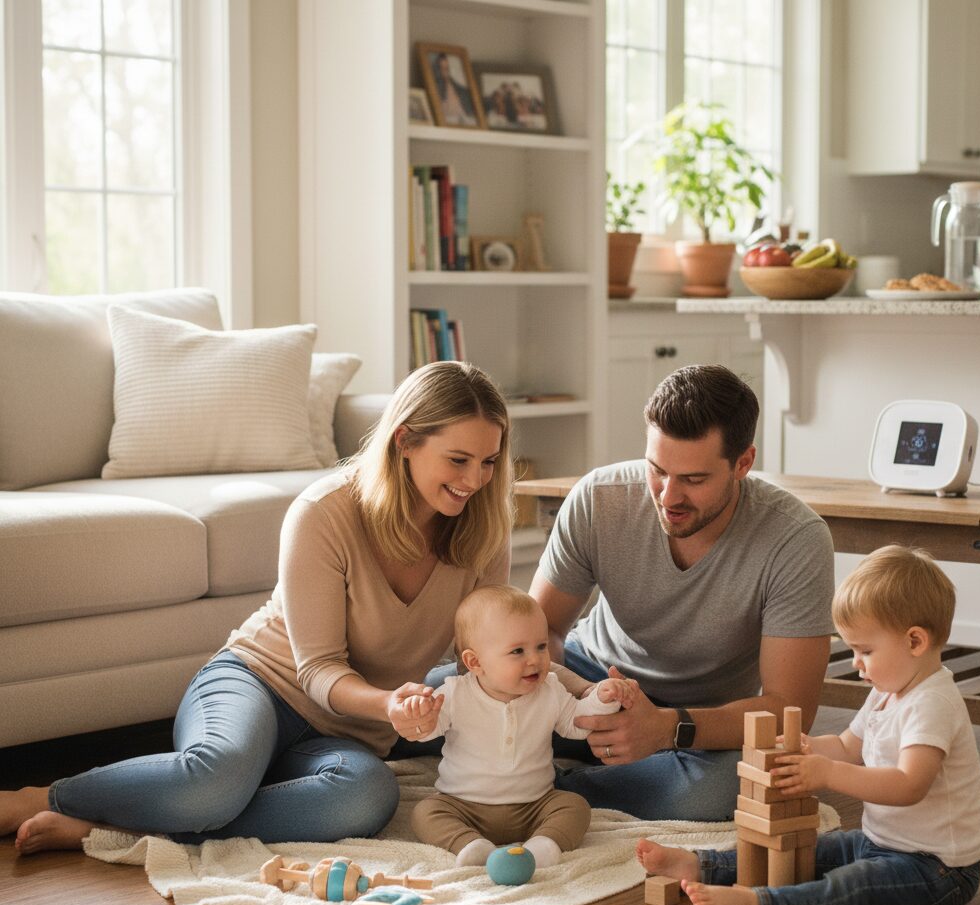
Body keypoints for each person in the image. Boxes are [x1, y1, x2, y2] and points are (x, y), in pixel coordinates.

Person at [1, 361, 514, 854]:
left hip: (345, 730)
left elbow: (487, 655)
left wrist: (574, 694)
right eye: (458, 459)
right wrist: (388, 706)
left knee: (366, 797)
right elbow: (316, 670)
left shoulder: (483, 531)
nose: (476, 480)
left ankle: (121, 828)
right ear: (405, 441)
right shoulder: (325, 511)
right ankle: (47, 797)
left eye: (489, 461)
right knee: (213, 782)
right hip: (261, 683)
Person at [530, 364, 835, 822]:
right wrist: (591, 697)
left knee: (725, 785)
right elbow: (544, 627)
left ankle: (550, 788)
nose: (668, 496)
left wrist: (663, 728)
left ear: (743, 464)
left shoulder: (795, 539)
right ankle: (595, 771)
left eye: (693, 480)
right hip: (590, 678)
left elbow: (788, 708)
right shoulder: (599, 497)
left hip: (701, 717)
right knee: (455, 687)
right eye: (657, 470)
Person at [636, 545, 980, 905]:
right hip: (880, 843)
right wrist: (803, 747)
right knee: (810, 848)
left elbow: (908, 785)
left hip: (938, 869)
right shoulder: (888, 689)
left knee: (853, 885)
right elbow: (846, 747)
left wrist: (826, 774)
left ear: (915, 641)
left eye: (865, 650)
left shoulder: (932, 703)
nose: (856, 663)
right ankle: (701, 864)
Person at [406, 586, 636, 868]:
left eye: (540, 646)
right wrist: (422, 718)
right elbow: (429, 729)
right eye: (517, 651)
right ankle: (469, 844)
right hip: (464, 806)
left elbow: (577, 723)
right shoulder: (455, 693)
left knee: (575, 807)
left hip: (534, 806)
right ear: (475, 662)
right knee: (425, 811)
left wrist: (604, 698)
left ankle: (544, 844)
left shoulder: (549, 689)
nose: (535, 659)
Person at [433, 52, 476, 127]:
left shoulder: (463, 91)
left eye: (447, 69)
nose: (445, 72)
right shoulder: (435, 89)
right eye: (441, 69)